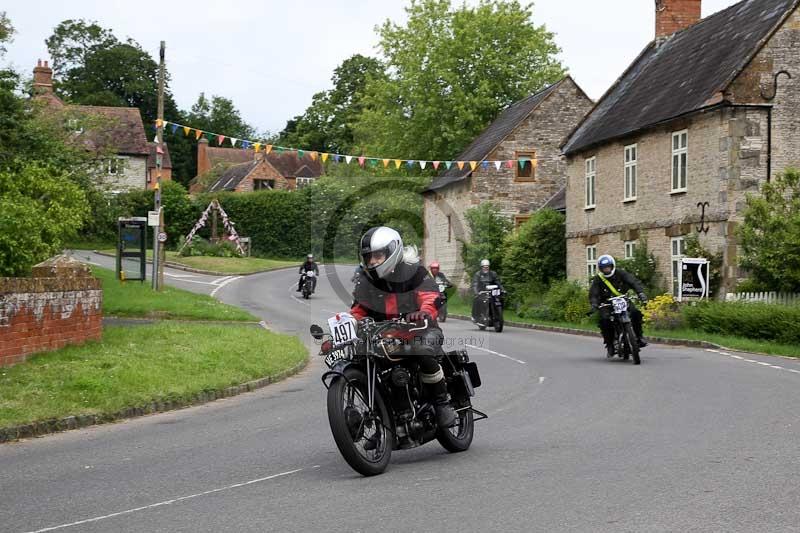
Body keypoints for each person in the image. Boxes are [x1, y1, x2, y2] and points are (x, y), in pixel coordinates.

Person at [350, 226, 456, 428]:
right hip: (387, 338)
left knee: (422, 351)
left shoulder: (414, 272)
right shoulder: (366, 280)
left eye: (378, 255)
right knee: (363, 360)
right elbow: (358, 309)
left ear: (392, 251)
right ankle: (387, 417)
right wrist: (346, 322)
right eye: (368, 257)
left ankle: (442, 402)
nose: (372, 261)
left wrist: (423, 312)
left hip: (421, 330)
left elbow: (430, 296)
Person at [589, 254, 649, 358]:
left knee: (635, 313)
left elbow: (633, 282)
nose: (606, 269)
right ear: (600, 269)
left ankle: (639, 337)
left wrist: (641, 293)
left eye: (608, 267)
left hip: (623, 299)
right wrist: (594, 304)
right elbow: (593, 293)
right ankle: (610, 344)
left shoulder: (621, 273)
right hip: (607, 303)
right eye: (604, 268)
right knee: (605, 320)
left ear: (612, 266)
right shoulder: (598, 279)